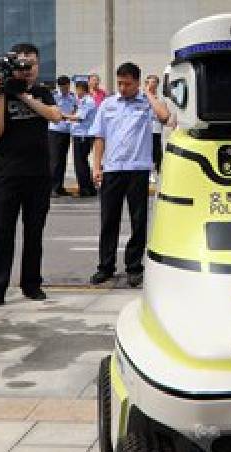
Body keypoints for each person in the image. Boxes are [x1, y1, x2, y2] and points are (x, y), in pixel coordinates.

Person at [0, 42, 62, 311]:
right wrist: (2, 95)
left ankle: (32, 284)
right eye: (21, 64)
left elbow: (54, 115)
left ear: (38, 66)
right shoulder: (0, 92)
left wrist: (24, 96)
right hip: (7, 176)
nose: (26, 70)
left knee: (34, 233)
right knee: (1, 233)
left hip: (38, 174)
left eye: (31, 64)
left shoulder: (41, 92)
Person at [89, 62, 169, 288]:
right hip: (112, 169)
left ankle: (134, 267)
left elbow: (164, 116)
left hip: (138, 170)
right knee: (108, 221)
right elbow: (99, 137)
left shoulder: (146, 104)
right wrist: (97, 167)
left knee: (138, 220)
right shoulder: (108, 104)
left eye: (128, 84)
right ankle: (105, 267)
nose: (123, 88)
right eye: (120, 83)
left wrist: (149, 94)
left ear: (137, 82)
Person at [49, 75, 77, 196]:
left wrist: (73, 115)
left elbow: (75, 109)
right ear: (59, 86)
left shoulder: (72, 97)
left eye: (67, 86)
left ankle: (59, 186)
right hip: (55, 131)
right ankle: (52, 188)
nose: (65, 89)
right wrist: (67, 116)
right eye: (63, 87)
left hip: (66, 131)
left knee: (63, 160)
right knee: (55, 160)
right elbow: (52, 111)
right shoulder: (54, 96)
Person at [68, 79, 97, 197]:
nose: (76, 92)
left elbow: (80, 117)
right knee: (82, 163)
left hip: (83, 135)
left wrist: (64, 116)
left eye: (77, 89)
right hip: (80, 134)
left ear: (82, 89)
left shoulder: (87, 101)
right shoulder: (82, 101)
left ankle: (84, 189)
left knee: (80, 163)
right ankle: (88, 187)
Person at [144, 74, 163, 183]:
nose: (152, 84)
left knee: (157, 151)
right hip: (146, 129)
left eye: (154, 82)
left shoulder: (160, 97)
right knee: (147, 152)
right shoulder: (143, 96)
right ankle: (149, 172)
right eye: (150, 82)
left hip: (157, 128)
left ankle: (158, 171)